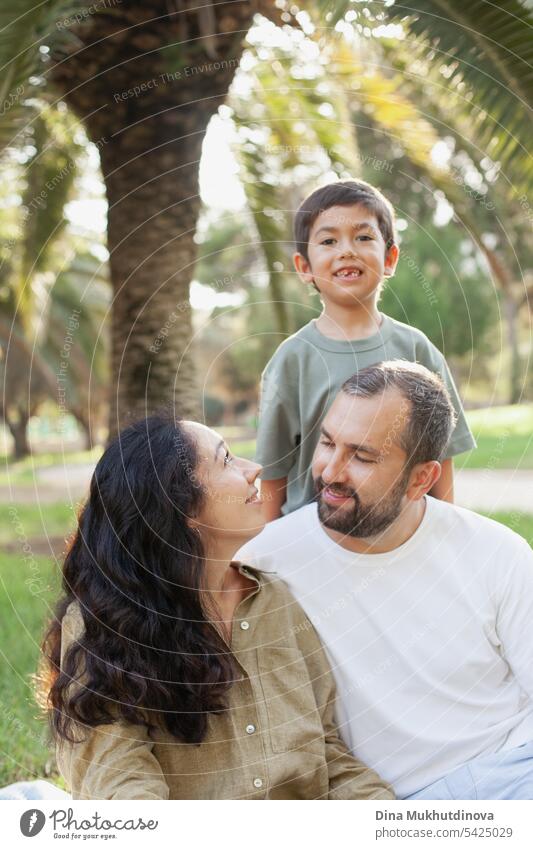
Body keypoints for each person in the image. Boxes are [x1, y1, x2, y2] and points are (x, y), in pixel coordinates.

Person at [38, 413, 393, 800]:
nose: (254, 469)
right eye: (226, 460)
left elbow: (326, 753)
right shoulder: (103, 624)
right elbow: (120, 788)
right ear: (183, 509)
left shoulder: (275, 602)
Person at [238, 361, 533, 800]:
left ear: (421, 479)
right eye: (327, 443)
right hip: (386, 804)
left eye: (362, 456)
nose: (331, 472)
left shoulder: (498, 554)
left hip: (512, 769)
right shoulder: (263, 563)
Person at [256, 179, 476, 520]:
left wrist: (444, 531)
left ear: (390, 259)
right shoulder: (291, 360)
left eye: (363, 237)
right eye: (328, 240)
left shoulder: (417, 349)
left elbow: (440, 455)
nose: (347, 250)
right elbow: (273, 473)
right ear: (304, 267)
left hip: (402, 537)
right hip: (314, 543)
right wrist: (264, 550)